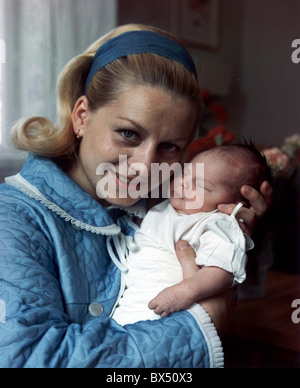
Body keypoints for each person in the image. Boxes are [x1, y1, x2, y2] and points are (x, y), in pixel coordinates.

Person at [0, 24, 272, 368]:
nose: (145, 167)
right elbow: (30, 357)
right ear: (81, 116)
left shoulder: (166, 206)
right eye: (128, 133)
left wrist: (240, 237)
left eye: (170, 146)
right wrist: (205, 317)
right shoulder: (13, 218)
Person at [111, 142, 273, 325]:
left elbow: (222, 270)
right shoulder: (166, 208)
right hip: (130, 303)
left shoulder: (216, 223)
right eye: (184, 173)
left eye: (200, 184)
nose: (182, 183)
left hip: (167, 310)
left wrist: (183, 292)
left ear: (233, 204)